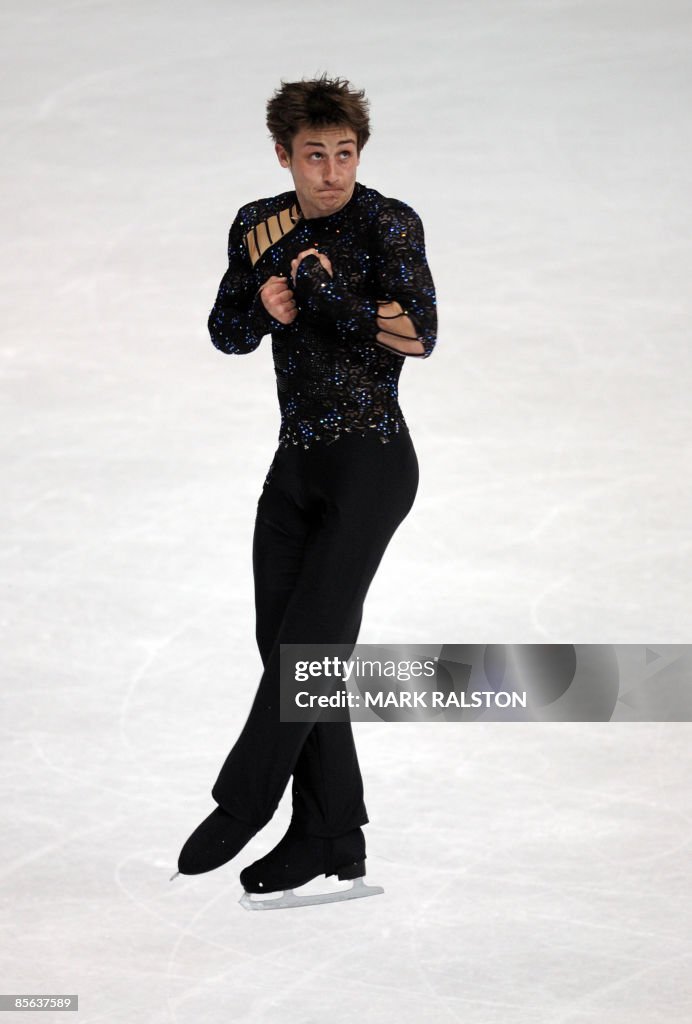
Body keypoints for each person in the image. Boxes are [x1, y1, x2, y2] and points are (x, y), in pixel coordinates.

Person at [173, 74, 437, 907]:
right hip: (294, 469)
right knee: (289, 655)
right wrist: (264, 305)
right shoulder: (260, 226)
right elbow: (224, 332)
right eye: (314, 155)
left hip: (371, 467)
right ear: (284, 156)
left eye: (345, 153)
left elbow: (419, 333)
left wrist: (330, 296)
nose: (332, 172)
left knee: (306, 655)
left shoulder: (387, 222)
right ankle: (332, 834)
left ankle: (243, 800)